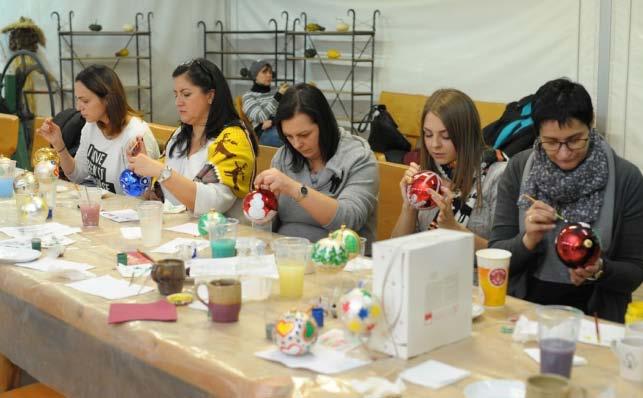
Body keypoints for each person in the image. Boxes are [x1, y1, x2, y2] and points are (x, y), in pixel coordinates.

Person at [489, 78, 643, 322]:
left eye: (574, 140)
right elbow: (496, 254)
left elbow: (635, 271)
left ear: (590, 125)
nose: (563, 152)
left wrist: (600, 268)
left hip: (597, 318)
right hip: (523, 313)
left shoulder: (625, 178)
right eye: (551, 142)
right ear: (537, 133)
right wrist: (527, 240)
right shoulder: (519, 169)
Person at [126, 58, 257, 218]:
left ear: (210, 96)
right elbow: (162, 197)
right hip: (178, 232)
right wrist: (143, 169)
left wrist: (160, 171)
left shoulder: (233, 138)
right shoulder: (179, 135)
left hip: (217, 237)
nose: (178, 102)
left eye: (186, 94)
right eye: (176, 95)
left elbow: (214, 205)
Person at [254, 83, 379, 246]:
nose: (297, 144)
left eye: (304, 134)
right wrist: (262, 207)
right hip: (288, 256)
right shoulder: (284, 157)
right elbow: (269, 228)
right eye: (289, 137)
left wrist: (294, 189)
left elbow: (349, 221)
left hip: (342, 261)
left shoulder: (358, 156)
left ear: (324, 124)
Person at [391, 88, 507, 252]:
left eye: (446, 136)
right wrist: (409, 205)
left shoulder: (498, 175)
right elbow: (396, 250)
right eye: (428, 134)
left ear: (466, 135)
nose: (434, 144)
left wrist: (454, 229)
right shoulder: (428, 176)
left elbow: (503, 254)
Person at [38, 64, 159, 194]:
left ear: (107, 99)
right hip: (102, 206)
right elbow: (77, 175)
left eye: (85, 101)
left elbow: (141, 197)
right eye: (77, 100)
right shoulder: (91, 125)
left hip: (125, 210)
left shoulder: (136, 135)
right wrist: (59, 144)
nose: (78, 108)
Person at [242, 59, 288, 147]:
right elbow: (261, 117)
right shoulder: (248, 96)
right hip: (263, 132)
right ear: (255, 76)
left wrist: (272, 120)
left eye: (270, 72)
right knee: (286, 139)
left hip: (280, 125)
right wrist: (278, 96)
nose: (269, 75)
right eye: (264, 72)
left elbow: (286, 110)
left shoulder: (276, 90)